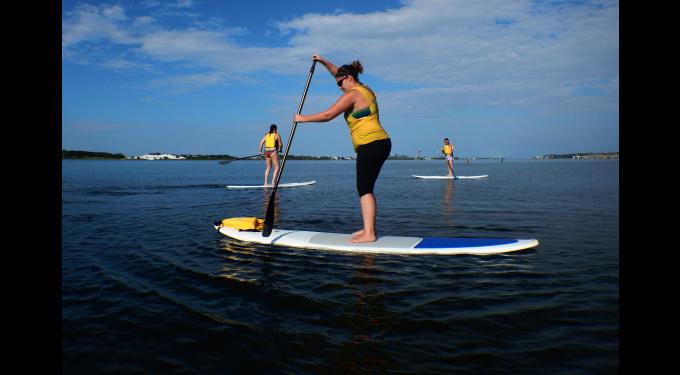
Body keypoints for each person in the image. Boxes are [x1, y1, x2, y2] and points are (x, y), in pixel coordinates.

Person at [294, 55, 391, 243]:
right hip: (380, 142)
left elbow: (328, 115)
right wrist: (322, 61)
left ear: (349, 78)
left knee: (364, 188)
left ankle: (369, 233)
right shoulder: (365, 89)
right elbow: (338, 73)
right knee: (365, 187)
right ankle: (368, 229)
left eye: (340, 83)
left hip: (371, 144)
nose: (338, 87)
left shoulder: (353, 94)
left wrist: (301, 118)